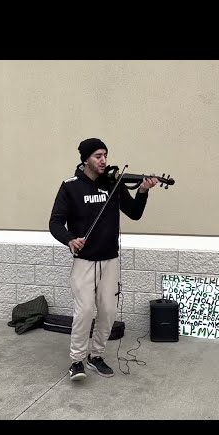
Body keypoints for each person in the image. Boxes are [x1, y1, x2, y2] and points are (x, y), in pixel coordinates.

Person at [49, 138, 158, 381]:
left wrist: (142, 191)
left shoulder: (114, 184)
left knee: (108, 311)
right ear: (85, 159)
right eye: (98, 155)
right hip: (84, 261)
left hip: (110, 260)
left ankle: (95, 356)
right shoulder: (71, 187)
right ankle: (77, 360)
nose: (103, 160)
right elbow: (55, 222)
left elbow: (134, 213)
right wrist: (69, 239)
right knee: (85, 311)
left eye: (105, 155)